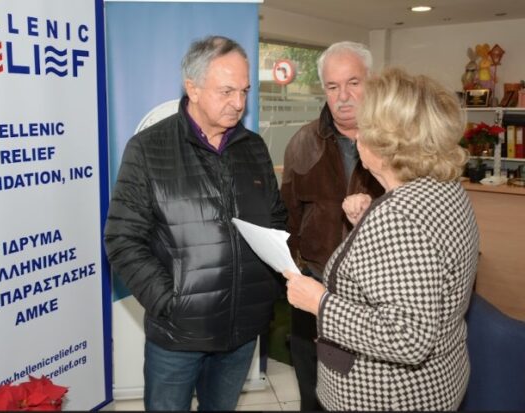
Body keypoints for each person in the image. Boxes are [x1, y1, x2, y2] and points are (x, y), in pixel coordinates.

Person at [103, 35, 287, 411]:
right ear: (193, 88)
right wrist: (170, 302)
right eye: (226, 91)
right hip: (178, 336)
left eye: (244, 91)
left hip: (242, 331)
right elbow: (122, 238)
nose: (239, 103)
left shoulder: (253, 147)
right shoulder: (148, 149)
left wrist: (265, 290)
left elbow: (276, 219)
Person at [282, 67, 480, 410]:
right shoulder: (443, 189)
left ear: (388, 145)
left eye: (364, 128)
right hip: (438, 382)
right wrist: (369, 221)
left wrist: (320, 303)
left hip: (388, 397)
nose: (357, 137)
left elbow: (407, 338)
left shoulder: (399, 218)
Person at [280, 41, 384, 411]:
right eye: (332, 86)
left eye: (353, 83)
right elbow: (288, 215)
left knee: (364, 392)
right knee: (312, 387)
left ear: (372, 82)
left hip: (377, 294)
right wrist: (296, 271)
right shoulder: (302, 142)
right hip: (316, 283)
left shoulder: (397, 142)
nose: (343, 97)